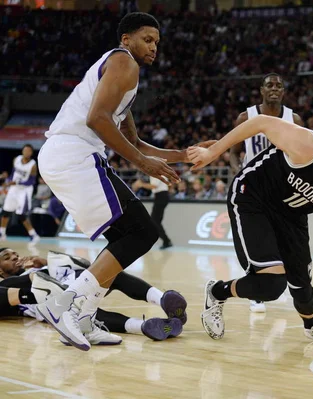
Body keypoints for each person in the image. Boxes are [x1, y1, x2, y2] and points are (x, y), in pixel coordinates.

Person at [35, 12, 207, 351]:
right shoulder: (123, 62)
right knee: (142, 231)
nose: (154, 46)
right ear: (125, 39)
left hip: (69, 156)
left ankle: (83, 317)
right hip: (74, 153)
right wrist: (143, 164)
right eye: (147, 38)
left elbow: (138, 143)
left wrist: (183, 155)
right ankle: (65, 304)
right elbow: (97, 119)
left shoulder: (123, 76)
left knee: (123, 240)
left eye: (157, 41)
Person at [188, 117, 313, 346]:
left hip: (291, 215)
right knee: (271, 285)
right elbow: (260, 122)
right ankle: (217, 291)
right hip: (253, 198)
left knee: (302, 286)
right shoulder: (308, 146)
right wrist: (212, 152)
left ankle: (311, 325)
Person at [230, 73, 304, 314]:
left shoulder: (294, 119)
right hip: (254, 191)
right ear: (261, 90)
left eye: (279, 85)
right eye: (269, 85)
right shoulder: (246, 117)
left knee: (282, 243)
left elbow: (303, 154)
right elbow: (233, 152)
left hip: (283, 191)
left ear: (283, 91)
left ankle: (281, 289)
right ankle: (256, 292)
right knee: (256, 243)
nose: (274, 88)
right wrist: (239, 172)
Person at [0, 247, 186, 342]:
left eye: (15, 254)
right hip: (55, 301)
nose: (15, 258)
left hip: (75, 282)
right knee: (83, 315)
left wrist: (43, 262)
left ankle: (163, 300)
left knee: (112, 273)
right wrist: (34, 275)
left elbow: (84, 264)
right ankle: (148, 326)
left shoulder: (40, 266)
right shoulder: (8, 284)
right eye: (7, 258)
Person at [0, 144, 40, 244]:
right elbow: (13, 173)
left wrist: (17, 182)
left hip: (25, 190)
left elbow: (31, 182)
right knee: (6, 211)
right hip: (14, 188)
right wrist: (9, 181)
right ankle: (2, 233)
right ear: (22, 151)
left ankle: (33, 234)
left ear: (31, 153)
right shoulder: (16, 159)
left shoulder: (33, 165)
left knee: (21, 214)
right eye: (25, 150)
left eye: (28, 151)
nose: (26, 152)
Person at [133, 176, 172, 249]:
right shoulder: (156, 173)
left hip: (161, 196)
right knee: (156, 221)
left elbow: (154, 186)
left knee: (154, 221)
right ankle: (166, 241)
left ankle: (166, 241)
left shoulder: (157, 173)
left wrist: (141, 184)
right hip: (160, 197)